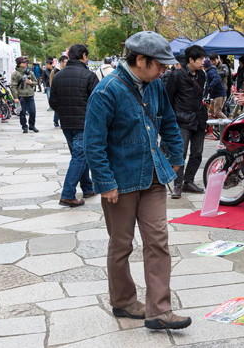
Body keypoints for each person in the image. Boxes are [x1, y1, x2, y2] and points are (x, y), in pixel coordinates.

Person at [84, 31, 191, 330]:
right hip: (121, 181)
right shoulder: (106, 91)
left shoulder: (155, 86)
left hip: (154, 176)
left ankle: (159, 310)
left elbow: (169, 121)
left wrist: (175, 156)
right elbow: (94, 143)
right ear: (140, 59)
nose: (164, 70)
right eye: (160, 64)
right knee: (121, 244)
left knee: (158, 240)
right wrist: (105, 182)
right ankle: (123, 301)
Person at [49, 44, 99, 207]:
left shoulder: (58, 76)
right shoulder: (89, 76)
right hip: (84, 123)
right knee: (79, 157)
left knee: (79, 156)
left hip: (67, 123)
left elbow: (53, 101)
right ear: (83, 55)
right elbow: (98, 102)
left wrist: (63, 114)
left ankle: (87, 187)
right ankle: (67, 194)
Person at [164, 45, 208, 198]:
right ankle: (177, 184)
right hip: (182, 119)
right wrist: (172, 118)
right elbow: (168, 99)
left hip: (199, 119)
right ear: (191, 59)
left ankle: (188, 181)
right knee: (179, 153)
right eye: (201, 59)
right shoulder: (176, 75)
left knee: (197, 153)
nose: (203, 62)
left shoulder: (202, 75)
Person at [11, 56, 39, 134]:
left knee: (32, 111)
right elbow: (13, 86)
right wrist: (15, 97)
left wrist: (31, 83)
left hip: (30, 94)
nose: (25, 63)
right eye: (23, 62)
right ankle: (24, 126)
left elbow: (36, 82)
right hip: (21, 96)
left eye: (25, 62)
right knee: (22, 112)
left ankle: (32, 125)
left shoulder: (30, 72)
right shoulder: (15, 74)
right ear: (19, 64)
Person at [52, 56, 68, 127]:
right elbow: (51, 82)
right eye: (66, 62)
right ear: (61, 62)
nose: (67, 64)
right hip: (58, 91)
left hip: (65, 91)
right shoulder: (55, 70)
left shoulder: (67, 70)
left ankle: (63, 121)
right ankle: (56, 121)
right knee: (58, 107)